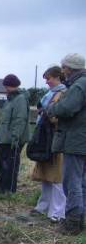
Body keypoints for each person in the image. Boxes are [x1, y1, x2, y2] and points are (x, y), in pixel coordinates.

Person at [47, 53, 86, 234]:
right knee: (82, 182)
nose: (62, 71)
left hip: (76, 140)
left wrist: (53, 109)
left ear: (70, 68)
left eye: (64, 68)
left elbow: (67, 108)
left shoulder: (79, 86)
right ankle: (79, 221)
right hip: (81, 139)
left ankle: (72, 224)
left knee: (72, 183)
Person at [31, 66, 67, 223]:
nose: (47, 82)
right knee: (46, 174)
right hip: (45, 138)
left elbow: (59, 116)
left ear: (58, 77)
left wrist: (47, 113)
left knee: (57, 176)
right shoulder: (50, 94)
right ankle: (43, 206)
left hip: (57, 139)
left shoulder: (64, 93)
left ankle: (57, 212)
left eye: (49, 78)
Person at [0, 74, 30, 193]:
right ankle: (2, 189)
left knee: (10, 166)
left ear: (13, 86)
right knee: (2, 165)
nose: (5, 89)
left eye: (7, 87)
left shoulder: (20, 99)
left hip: (12, 140)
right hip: (5, 139)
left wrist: (15, 138)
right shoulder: (11, 99)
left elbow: (19, 120)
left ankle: (9, 191)